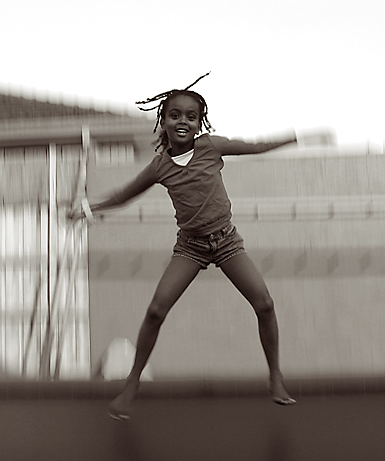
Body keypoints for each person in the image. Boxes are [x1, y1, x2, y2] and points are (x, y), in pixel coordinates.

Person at [70, 73, 329, 420]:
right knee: (156, 310)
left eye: (191, 116)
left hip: (226, 243)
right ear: (163, 120)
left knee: (265, 303)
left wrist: (301, 137)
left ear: (199, 122)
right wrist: (88, 208)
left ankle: (275, 376)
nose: (183, 121)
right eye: (175, 115)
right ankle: (132, 384)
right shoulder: (160, 166)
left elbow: (255, 146)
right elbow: (124, 194)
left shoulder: (211, 147)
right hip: (190, 247)